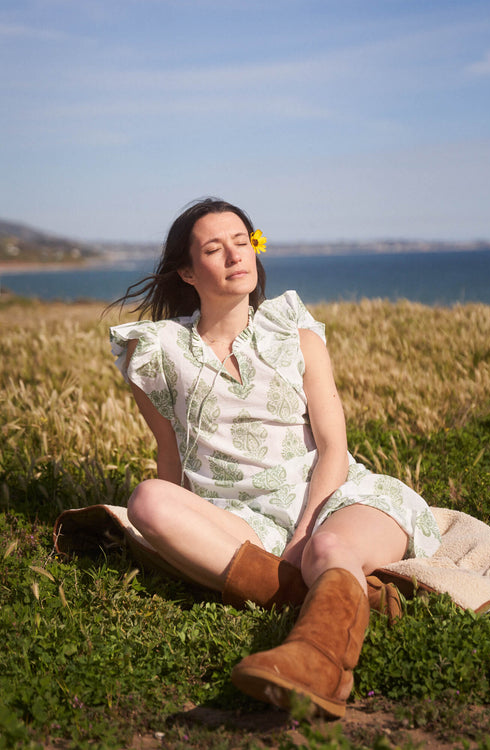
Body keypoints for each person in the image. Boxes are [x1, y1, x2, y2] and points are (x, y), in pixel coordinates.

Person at [109, 197, 441, 719]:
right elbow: (167, 457)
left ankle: (315, 660)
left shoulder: (294, 330)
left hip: (334, 497)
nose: (235, 256)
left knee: (326, 546)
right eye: (214, 250)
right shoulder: (155, 353)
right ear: (187, 272)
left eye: (243, 242)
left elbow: (333, 446)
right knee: (147, 501)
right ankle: (346, 594)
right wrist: (162, 541)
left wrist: (304, 532)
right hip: (241, 520)